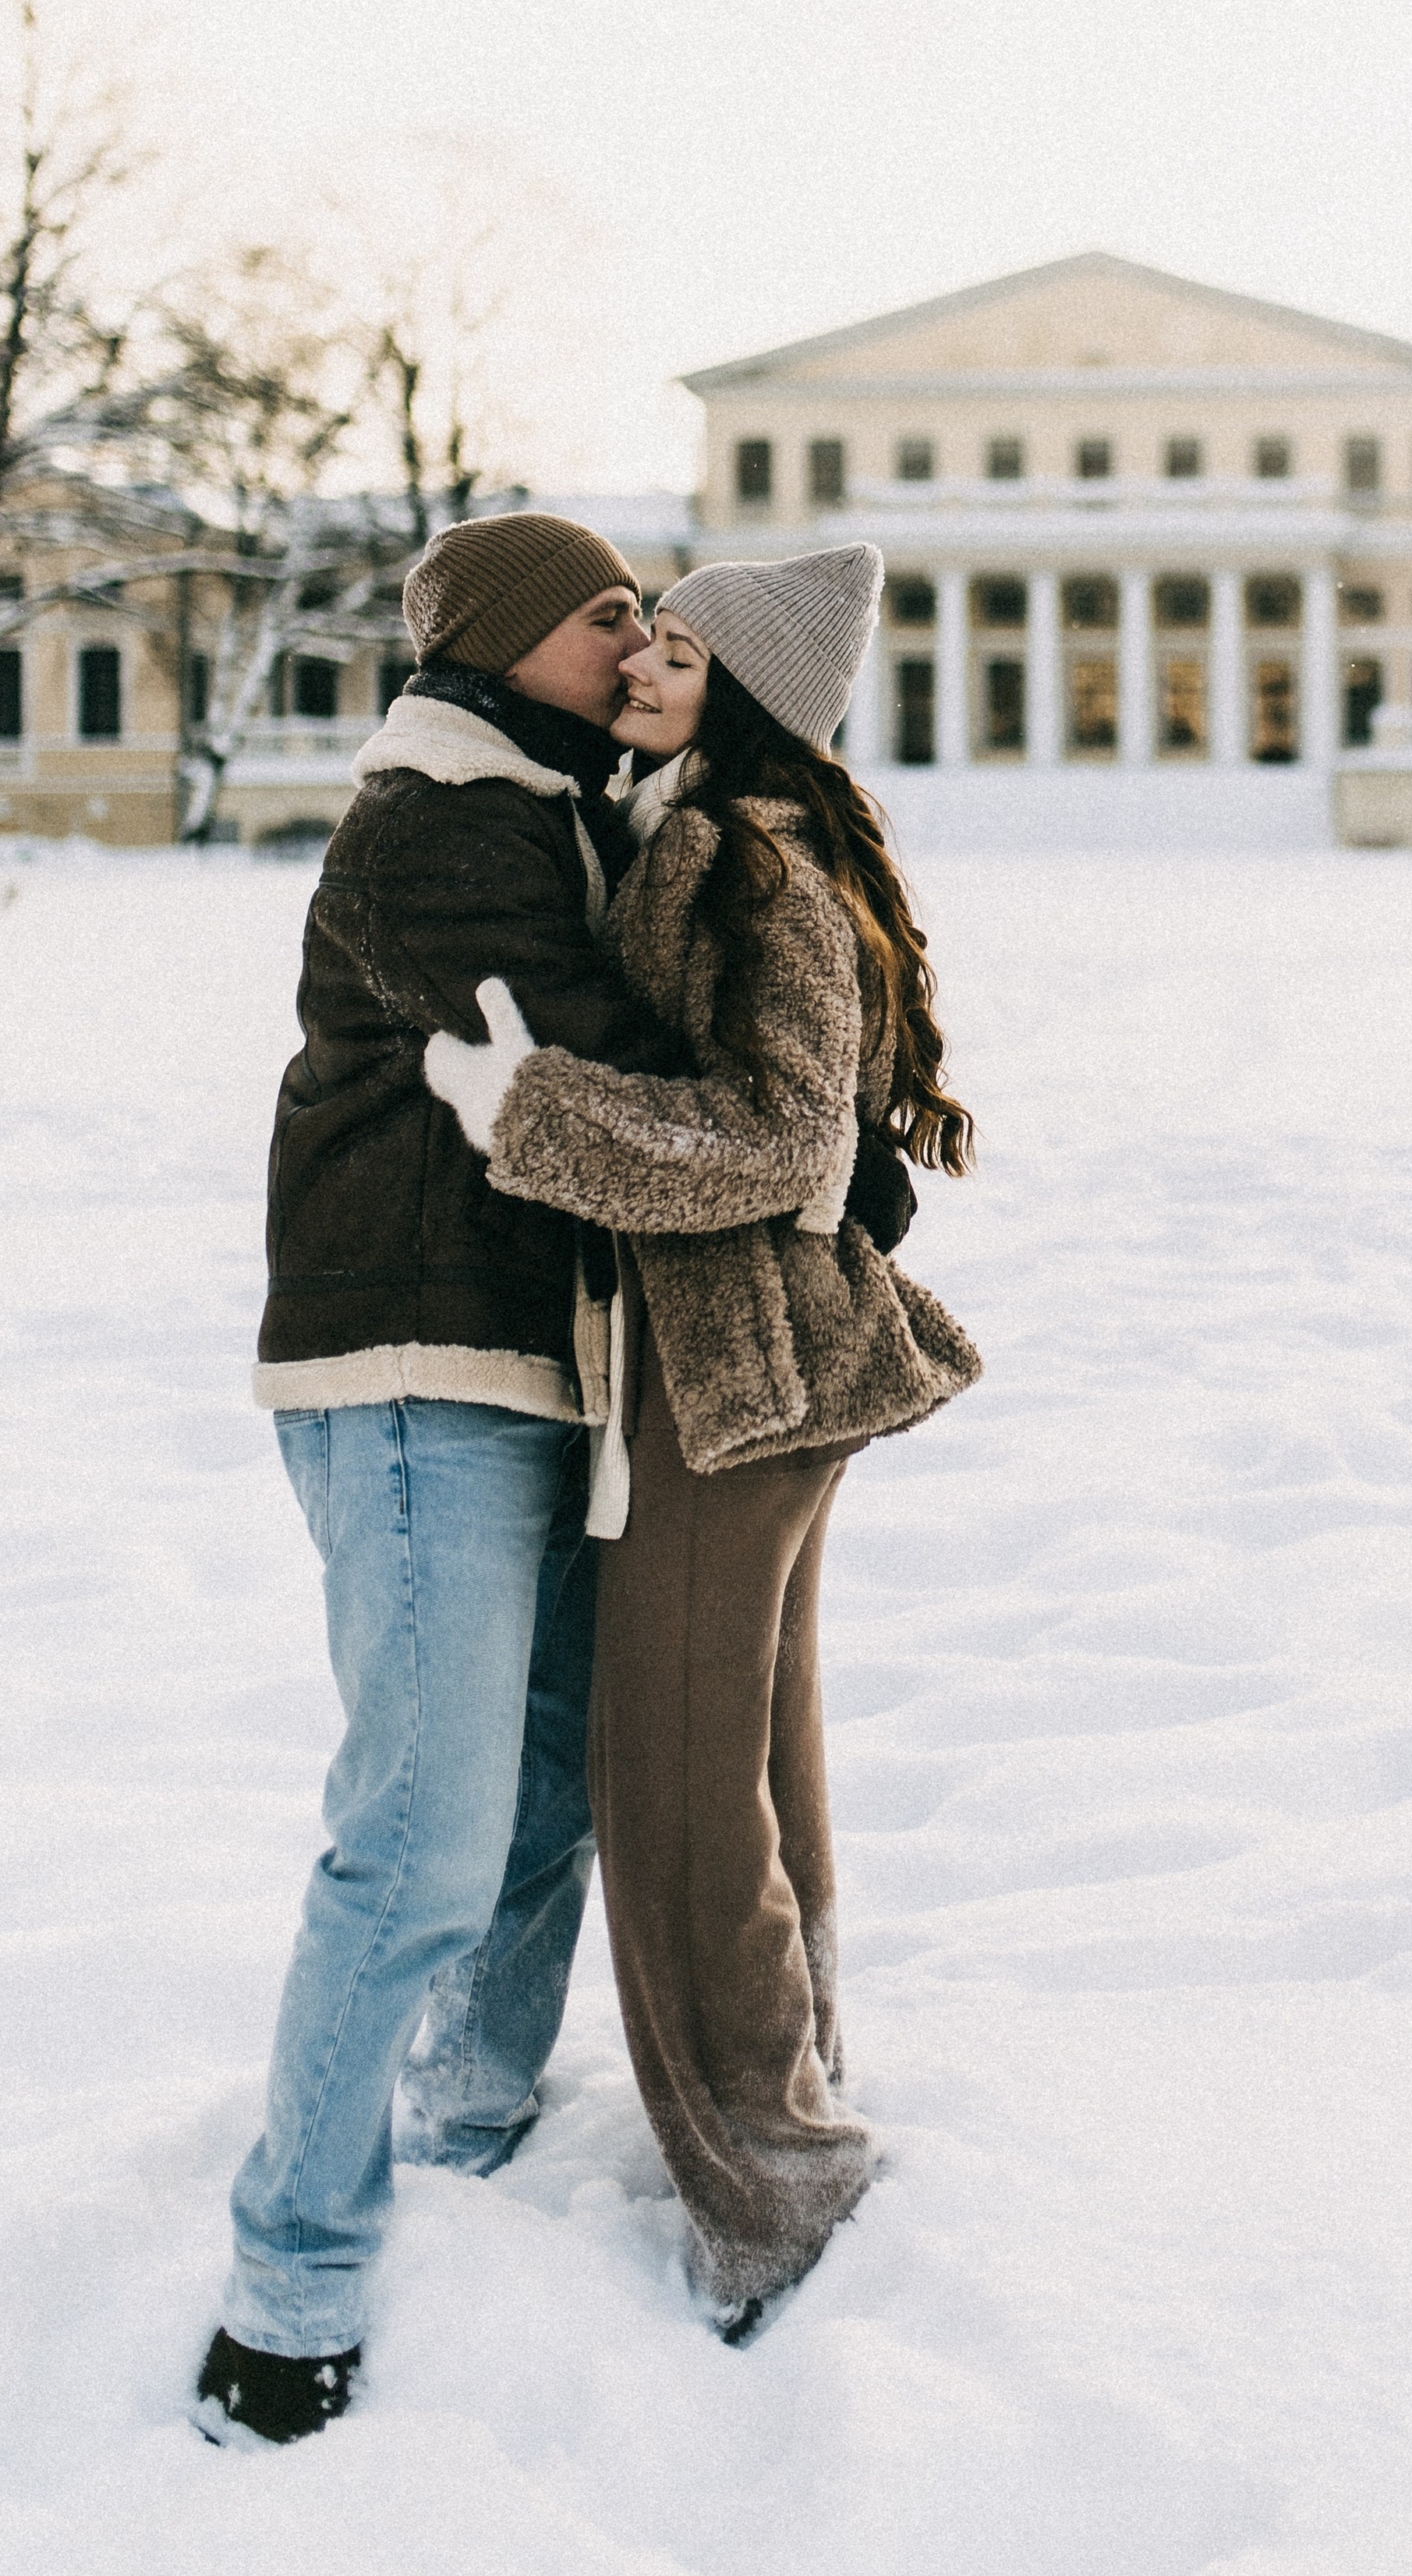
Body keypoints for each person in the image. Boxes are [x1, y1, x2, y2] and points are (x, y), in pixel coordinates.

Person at [193, 511, 915, 2447]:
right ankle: (292, 2287)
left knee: (531, 1801)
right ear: (512, 646)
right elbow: (588, 1053)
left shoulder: (568, 805)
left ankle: (464, 2131)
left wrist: (811, 1111)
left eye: (655, 622)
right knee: (421, 1836)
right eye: (607, 617)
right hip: (411, 1366)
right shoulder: (444, 821)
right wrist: (804, 1131)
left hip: (538, 1373)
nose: (634, 640)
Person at [425, 540, 980, 2341]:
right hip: (752, 1366)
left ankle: (772, 2174)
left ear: (738, 692)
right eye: (641, 636)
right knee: (746, 1752)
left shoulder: (747, 852)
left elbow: (777, 1138)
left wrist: (527, 1107)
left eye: (671, 648)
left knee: (667, 1787)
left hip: (746, 1372)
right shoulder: (715, 831)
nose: (642, 663)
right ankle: (800, 2086)